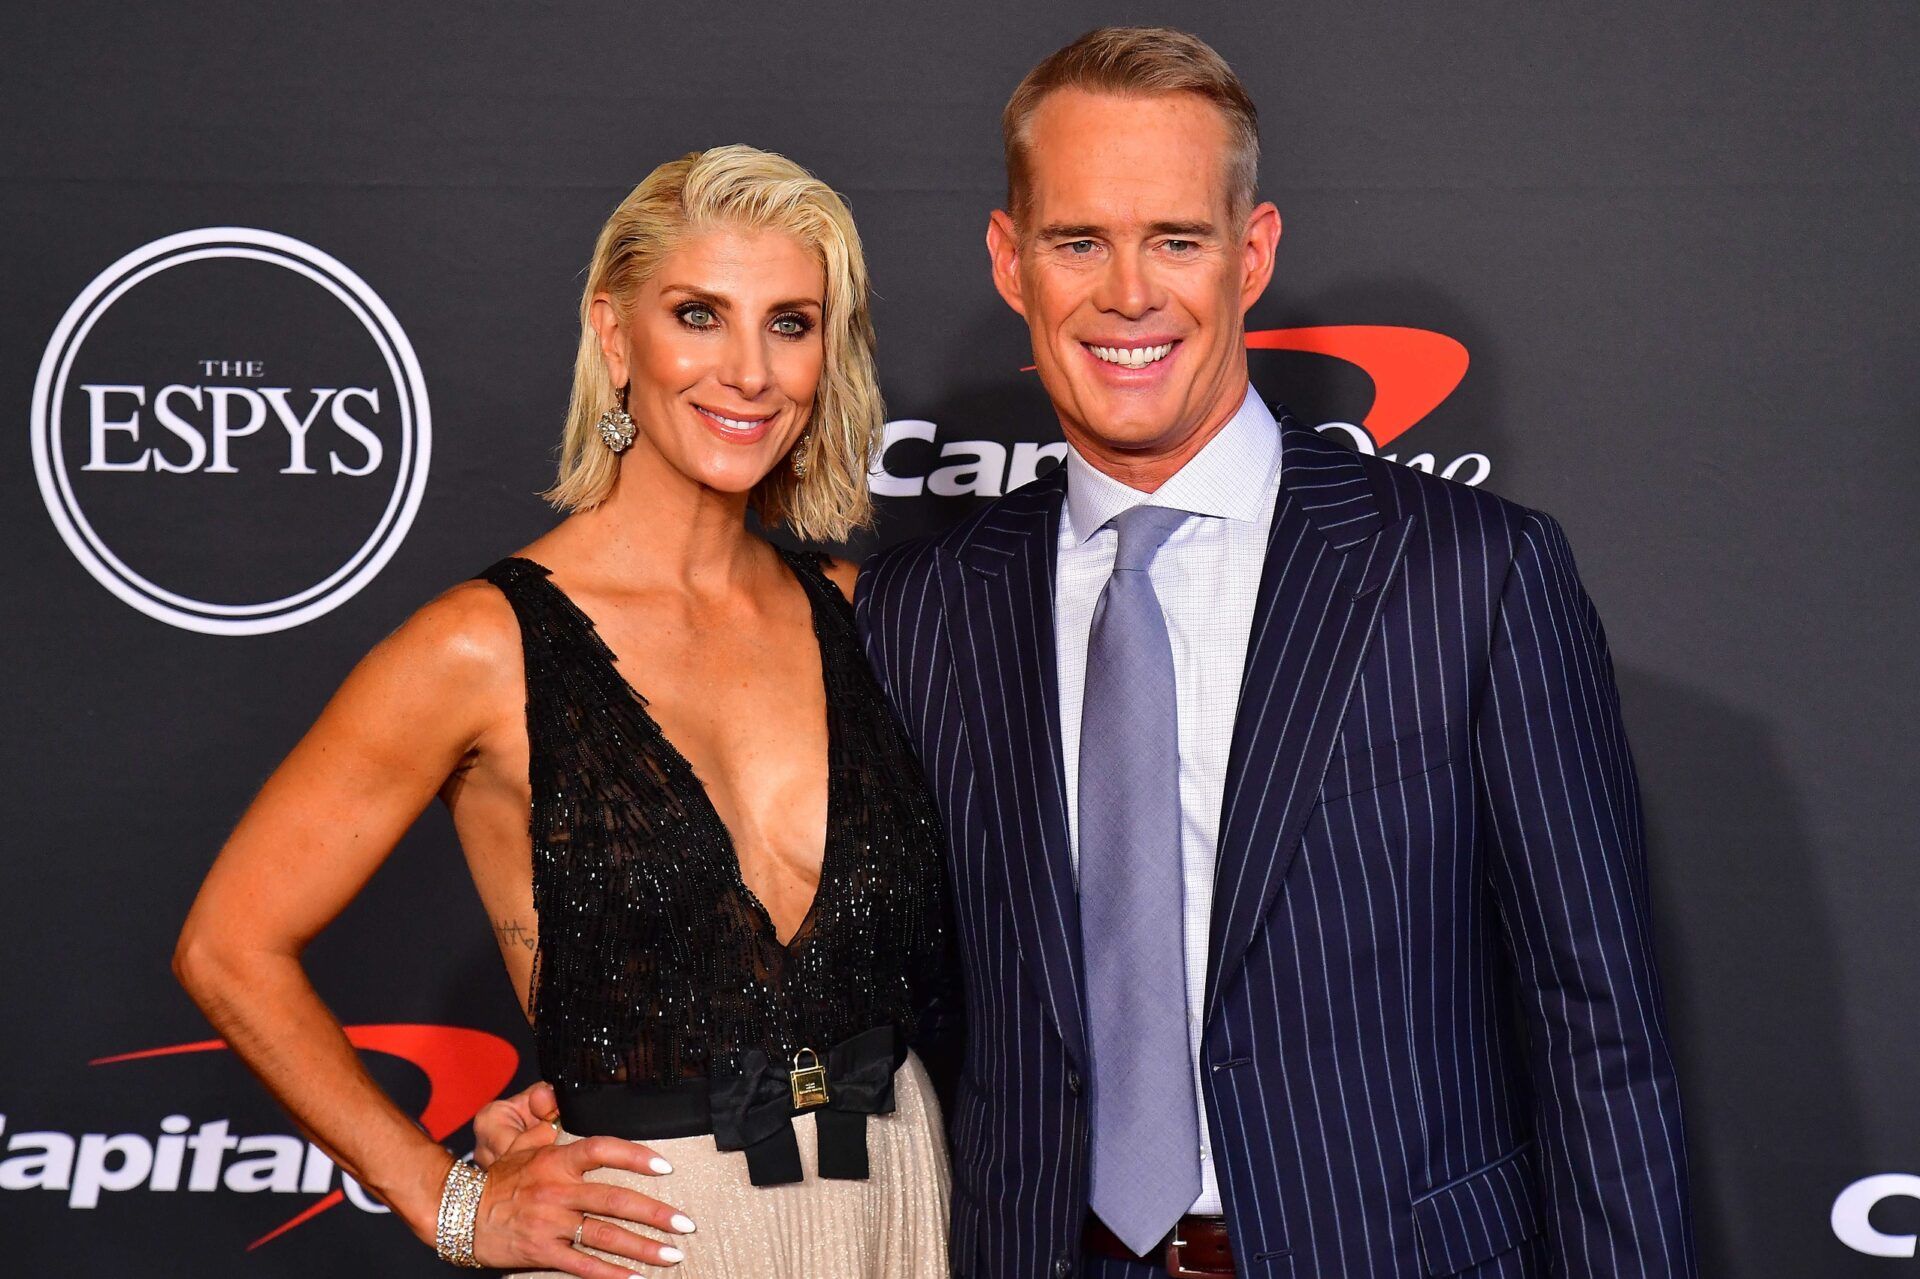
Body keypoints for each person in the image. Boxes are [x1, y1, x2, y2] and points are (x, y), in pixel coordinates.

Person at [483, 26, 1697, 1279]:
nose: (1129, 293)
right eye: (1079, 242)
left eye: (1176, 238)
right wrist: (605, 1099)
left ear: (1253, 254)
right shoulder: (925, 608)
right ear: (1013, 261)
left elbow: (1597, 1026)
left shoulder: (1469, 574)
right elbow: (870, 987)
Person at [174, 144, 957, 1279]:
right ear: (613, 331)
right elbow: (228, 947)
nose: (748, 370)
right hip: (648, 1239)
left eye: (791, 323)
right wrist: (453, 1204)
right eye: (699, 314)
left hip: (898, 1207)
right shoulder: (480, 646)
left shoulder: (858, 615)